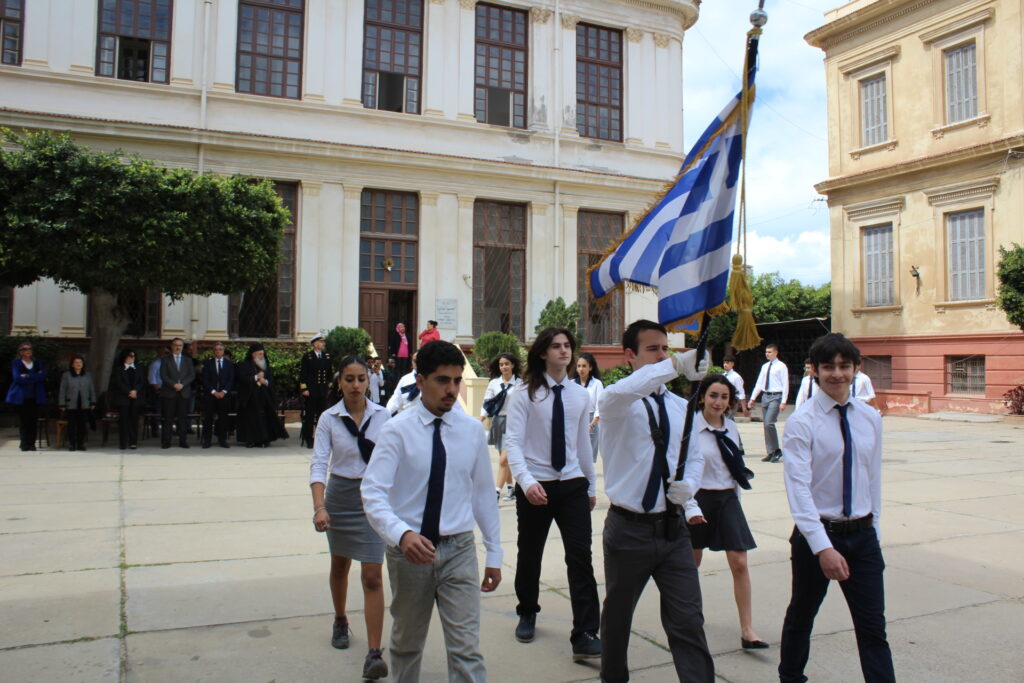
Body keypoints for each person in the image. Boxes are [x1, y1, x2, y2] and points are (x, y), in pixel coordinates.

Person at [361, 340, 502, 682]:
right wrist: (401, 534)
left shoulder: (471, 430)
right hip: (410, 552)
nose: (452, 389)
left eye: (456, 380)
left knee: (466, 649)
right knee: (407, 643)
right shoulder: (396, 430)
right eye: (442, 380)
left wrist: (494, 552)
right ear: (421, 381)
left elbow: (483, 494)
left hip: (459, 549)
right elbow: (373, 492)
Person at [597, 319, 713, 683]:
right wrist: (676, 365)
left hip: (673, 529)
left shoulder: (681, 407)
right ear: (629, 356)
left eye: (666, 349)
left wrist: (689, 485)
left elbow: (694, 456)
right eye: (652, 349)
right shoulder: (616, 402)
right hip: (629, 530)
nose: (662, 355)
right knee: (618, 617)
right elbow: (623, 392)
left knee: (688, 620)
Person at [779, 333, 894, 682]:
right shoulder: (802, 421)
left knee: (873, 627)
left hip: (862, 536)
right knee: (802, 615)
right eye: (828, 366)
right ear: (814, 370)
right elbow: (798, 490)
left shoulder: (869, 417)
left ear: (856, 368)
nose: (837, 374)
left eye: (844, 366)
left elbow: (872, 478)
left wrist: (873, 531)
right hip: (817, 535)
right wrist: (823, 547)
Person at [504, 327, 601, 661]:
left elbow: (582, 443)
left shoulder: (579, 395)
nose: (564, 351)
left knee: (581, 556)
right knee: (530, 553)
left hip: (572, 484)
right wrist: (526, 481)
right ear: (543, 353)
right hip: (536, 485)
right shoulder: (524, 393)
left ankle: (585, 632)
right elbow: (513, 441)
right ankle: (527, 610)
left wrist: (590, 485)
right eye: (556, 346)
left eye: (568, 345)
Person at [310, 356, 390, 680]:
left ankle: (374, 653)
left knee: (372, 575)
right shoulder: (328, 418)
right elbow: (319, 464)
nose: (356, 385)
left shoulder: (384, 416)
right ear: (339, 382)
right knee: (340, 566)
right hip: (340, 497)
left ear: (369, 381)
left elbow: (394, 461)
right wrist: (320, 507)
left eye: (361, 379)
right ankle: (340, 619)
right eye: (349, 379)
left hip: (373, 499)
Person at [684, 374, 767, 650]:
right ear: (702, 397)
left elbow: (734, 466)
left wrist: (737, 502)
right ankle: (690, 616)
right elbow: (681, 468)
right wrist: (687, 506)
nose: (718, 402)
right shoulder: (689, 427)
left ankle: (747, 630)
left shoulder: (731, 427)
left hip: (727, 499)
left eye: (724, 397)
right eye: (713, 396)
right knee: (691, 562)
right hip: (698, 498)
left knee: (739, 562)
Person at [479, 352, 523, 501]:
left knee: (504, 460)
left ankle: (496, 493)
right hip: (498, 422)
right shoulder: (494, 383)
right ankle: (511, 488)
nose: (504, 367)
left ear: (513, 365)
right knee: (504, 459)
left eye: (507, 364)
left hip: (514, 423)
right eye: (501, 364)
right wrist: (480, 419)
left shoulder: (520, 384)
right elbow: (487, 403)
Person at [235, 343, 289, 448]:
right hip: (250, 397)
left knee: (264, 419)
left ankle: (264, 440)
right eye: (259, 354)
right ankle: (250, 440)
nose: (262, 356)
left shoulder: (265, 365)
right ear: (253, 354)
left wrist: (266, 382)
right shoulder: (244, 365)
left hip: (263, 397)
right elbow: (242, 380)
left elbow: (271, 381)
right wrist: (256, 377)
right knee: (250, 419)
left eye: (262, 354)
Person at [747, 343, 789, 463]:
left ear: (776, 352)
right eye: (766, 352)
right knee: (765, 424)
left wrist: (784, 401)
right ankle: (770, 452)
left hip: (776, 396)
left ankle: (776, 450)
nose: (767, 354)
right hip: (765, 396)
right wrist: (753, 398)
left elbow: (785, 384)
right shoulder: (765, 367)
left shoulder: (781, 366)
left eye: (770, 352)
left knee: (769, 423)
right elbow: (759, 383)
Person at [6, 341, 47, 451]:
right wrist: (34, 377)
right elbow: (17, 378)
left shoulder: (37, 363)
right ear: (20, 352)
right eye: (25, 349)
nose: (28, 351)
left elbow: (42, 376)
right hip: (22, 397)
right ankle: (24, 443)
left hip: (35, 396)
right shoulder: (17, 363)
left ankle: (32, 443)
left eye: (30, 349)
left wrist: (28, 376)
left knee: (33, 421)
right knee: (24, 421)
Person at [159, 338, 195, 449]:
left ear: (183, 347)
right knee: (168, 418)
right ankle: (166, 441)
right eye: (176, 345)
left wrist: (182, 384)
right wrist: (174, 384)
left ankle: (183, 441)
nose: (178, 347)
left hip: (184, 392)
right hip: (169, 392)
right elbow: (163, 375)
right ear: (172, 346)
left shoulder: (188, 360)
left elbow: (191, 375)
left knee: (182, 418)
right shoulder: (165, 360)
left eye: (180, 345)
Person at [300, 334, 333, 449]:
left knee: (321, 415)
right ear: (315, 344)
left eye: (323, 342)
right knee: (310, 415)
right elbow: (303, 374)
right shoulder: (308, 357)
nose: (323, 344)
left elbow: (329, 374)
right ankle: (309, 437)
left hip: (322, 390)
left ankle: (321, 437)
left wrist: (329, 387)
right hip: (311, 391)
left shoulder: (327, 357)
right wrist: (304, 388)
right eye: (321, 342)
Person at [58, 354, 97, 451]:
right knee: (72, 425)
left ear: (83, 364)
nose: (78, 364)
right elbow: (62, 390)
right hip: (71, 404)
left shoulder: (87, 375)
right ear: (72, 364)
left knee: (82, 425)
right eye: (76, 362)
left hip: (84, 404)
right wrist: (62, 403)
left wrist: (93, 402)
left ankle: (81, 444)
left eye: (80, 362)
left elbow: (91, 389)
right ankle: (72, 444)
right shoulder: (66, 375)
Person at [201, 342, 235, 449]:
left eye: (220, 349)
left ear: (223, 351)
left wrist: (223, 392)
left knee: (223, 418)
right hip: (210, 395)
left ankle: (222, 440)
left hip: (224, 396)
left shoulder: (229, 364)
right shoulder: (208, 364)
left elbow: (231, 380)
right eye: (216, 349)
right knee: (208, 418)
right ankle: (207, 441)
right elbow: (205, 380)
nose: (218, 351)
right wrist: (214, 392)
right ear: (213, 351)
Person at [111, 349, 145, 450]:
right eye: (129, 356)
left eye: (133, 356)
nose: (131, 358)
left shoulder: (139, 368)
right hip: (123, 398)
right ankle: (123, 443)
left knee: (134, 421)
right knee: (123, 421)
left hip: (136, 398)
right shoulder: (119, 369)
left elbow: (141, 381)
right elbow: (119, 382)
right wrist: (129, 392)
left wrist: (135, 391)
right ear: (124, 357)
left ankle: (133, 442)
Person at [574, 352, 603, 462]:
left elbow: (600, 407)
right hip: (575, 422)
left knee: (588, 459)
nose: (581, 369)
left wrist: (592, 425)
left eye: (584, 366)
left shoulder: (597, 384)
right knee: (574, 457)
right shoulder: (571, 384)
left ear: (590, 367)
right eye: (579, 366)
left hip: (591, 422)